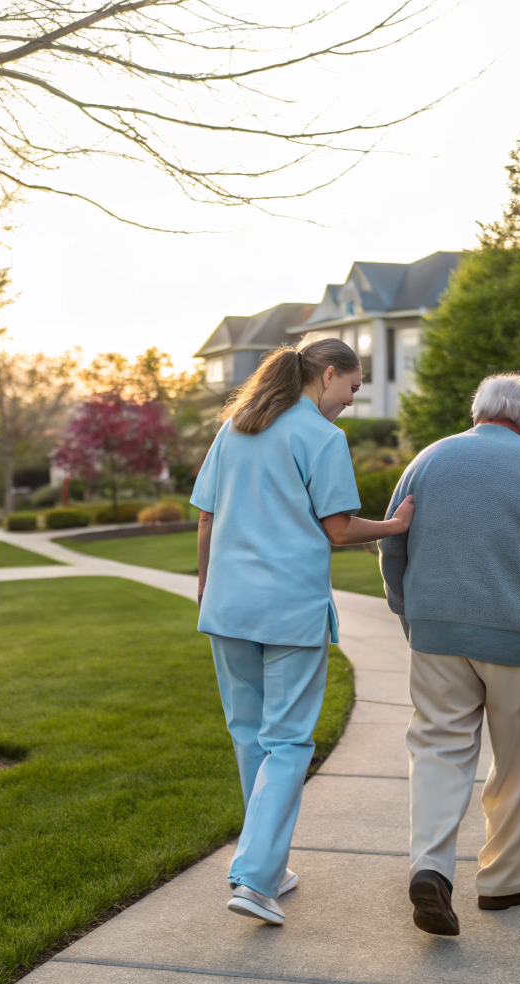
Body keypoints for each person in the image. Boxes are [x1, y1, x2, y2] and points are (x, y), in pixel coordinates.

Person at [379, 372, 520, 937]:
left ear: (478, 411)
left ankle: (430, 868)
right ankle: (504, 882)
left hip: (437, 636)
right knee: (516, 761)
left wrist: (408, 610)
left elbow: (392, 539)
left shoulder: (428, 461)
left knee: (437, 749)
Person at [192, 338, 415, 926]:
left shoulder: (234, 429)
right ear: (330, 374)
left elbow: (207, 517)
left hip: (229, 607)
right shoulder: (321, 437)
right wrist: (395, 524)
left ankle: (269, 866)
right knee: (287, 742)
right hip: (288, 609)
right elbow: (339, 529)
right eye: (353, 387)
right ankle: (256, 876)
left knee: (251, 738)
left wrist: (205, 587)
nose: (351, 400)